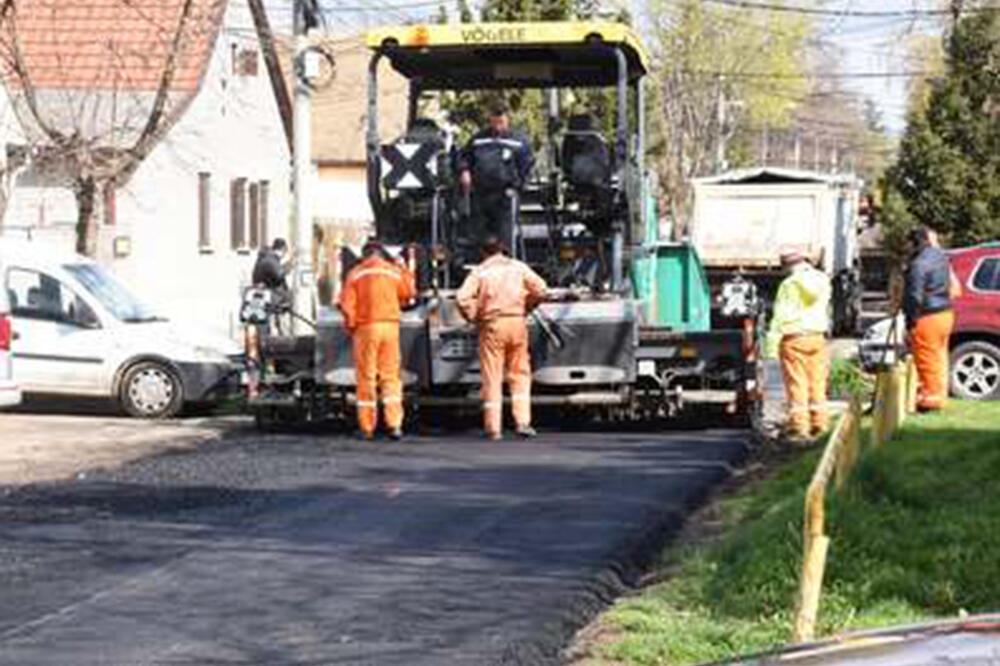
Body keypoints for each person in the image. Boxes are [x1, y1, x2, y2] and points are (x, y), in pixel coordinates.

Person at [456, 236, 548, 440]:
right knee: (520, 373)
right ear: (503, 249)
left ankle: (493, 428)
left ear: (483, 252)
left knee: (492, 376)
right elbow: (542, 289)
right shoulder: (518, 267)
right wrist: (528, 305)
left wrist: (474, 315)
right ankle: (523, 422)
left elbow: (462, 298)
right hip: (517, 323)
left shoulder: (480, 271)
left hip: (492, 326)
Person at [338, 240, 417, 440]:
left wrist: (352, 327)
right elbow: (409, 292)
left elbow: (347, 305)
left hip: (366, 328)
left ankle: (367, 427)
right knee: (391, 376)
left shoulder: (355, 273)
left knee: (367, 378)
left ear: (364, 255)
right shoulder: (392, 271)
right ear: (381, 254)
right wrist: (403, 266)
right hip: (390, 327)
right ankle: (395, 425)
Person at [763, 250, 833, 441]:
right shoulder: (822, 280)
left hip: (794, 338)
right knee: (817, 381)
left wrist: (770, 347)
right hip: (817, 337)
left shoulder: (789, 284)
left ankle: (799, 427)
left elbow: (781, 316)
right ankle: (820, 423)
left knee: (797, 383)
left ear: (788, 267)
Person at [458, 103, 534, 255]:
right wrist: (464, 171)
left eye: (501, 122)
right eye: (495, 121)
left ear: (508, 120)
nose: (498, 126)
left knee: (505, 236)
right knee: (481, 236)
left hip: (505, 195)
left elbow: (527, 165)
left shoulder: (519, 141)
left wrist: (519, 185)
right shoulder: (478, 139)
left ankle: (505, 267)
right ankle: (485, 265)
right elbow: (464, 158)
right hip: (481, 194)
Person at [904, 226, 955, 412]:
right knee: (940, 357)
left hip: (927, 315)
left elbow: (914, 295)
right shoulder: (941, 257)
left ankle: (930, 401)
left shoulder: (919, 264)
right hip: (945, 313)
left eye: (909, 243)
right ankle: (939, 396)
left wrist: (910, 319)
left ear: (915, 242)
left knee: (926, 358)